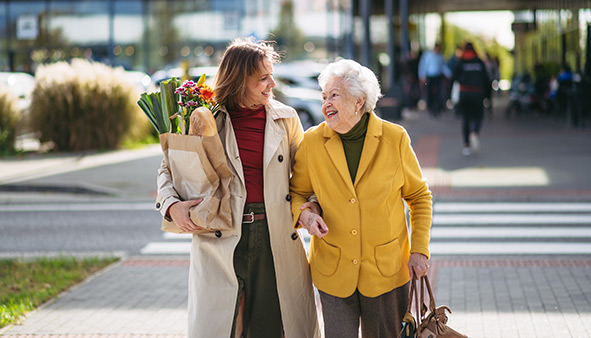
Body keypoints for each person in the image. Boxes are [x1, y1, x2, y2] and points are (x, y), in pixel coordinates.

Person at [156, 37, 320, 338]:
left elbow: (306, 179)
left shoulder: (286, 119)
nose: (272, 83)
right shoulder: (204, 117)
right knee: (226, 328)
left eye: (271, 74)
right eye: (263, 78)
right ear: (240, 79)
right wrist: (171, 205)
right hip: (220, 237)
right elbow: (169, 168)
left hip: (276, 236)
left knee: (274, 329)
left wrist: (310, 209)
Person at [290, 59, 433, 338]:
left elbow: (419, 196)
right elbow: (296, 193)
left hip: (385, 270)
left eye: (334, 95)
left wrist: (419, 249)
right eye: (324, 96)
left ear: (359, 101)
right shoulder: (312, 142)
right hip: (333, 268)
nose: (326, 104)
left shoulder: (394, 138)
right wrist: (305, 216)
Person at [451, 42, 490, 156]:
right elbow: (486, 80)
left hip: (464, 93)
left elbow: (454, 78)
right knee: (478, 116)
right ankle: (475, 132)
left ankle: (466, 146)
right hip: (477, 93)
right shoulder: (479, 62)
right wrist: (487, 97)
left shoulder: (461, 62)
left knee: (466, 119)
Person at [418, 42, 451, 117]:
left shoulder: (440, 56)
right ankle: (430, 107)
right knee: (429, 92)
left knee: (438, 92)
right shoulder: (428, 55)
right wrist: (422, 76)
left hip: (437, 76)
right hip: (430, 76)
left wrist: (448, 74)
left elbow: (443, 66)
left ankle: (436, 107)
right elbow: (423, 66)